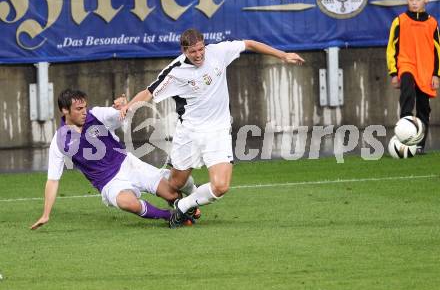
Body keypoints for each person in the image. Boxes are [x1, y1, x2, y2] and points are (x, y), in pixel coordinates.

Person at [119, 28, 305, 228]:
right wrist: (128, 106)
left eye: (201, 49)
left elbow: (249, 43)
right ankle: (187, 192)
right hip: (189, 133)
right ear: (184, 51)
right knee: (174, 184)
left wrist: (283, 55)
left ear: (204, 45)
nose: (198, 55)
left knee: (221, 186)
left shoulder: (218, 52)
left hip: (218, 131)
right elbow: (149, 92)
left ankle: (183, 206)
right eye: (193, 52)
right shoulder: (175, 72)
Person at [31, 89, 195, 230]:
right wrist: (46, 214)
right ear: (64, 110)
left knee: (172, 193)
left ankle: (185, 193)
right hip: (108, 183)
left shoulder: (96, 115)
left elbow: (124, 113)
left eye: (85, 107)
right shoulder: (59, 141)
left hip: (128, 164)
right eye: (79, 109)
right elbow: (52, 180)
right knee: (127, 202)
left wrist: (124, 106)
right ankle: (169, 216)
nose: (84, 112)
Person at [386, 0, 440, 154]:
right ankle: (405, 136)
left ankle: (419, 146)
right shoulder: (400, 21)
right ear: (407, 0)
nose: (414, 2)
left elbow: (437, 51)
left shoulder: (432, 23)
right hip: (406, 66)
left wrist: (436, 74)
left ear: (426, 0)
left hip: (425, 71)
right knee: (407, 100)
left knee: (424, 109)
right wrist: (394, 73)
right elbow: (391, 48)